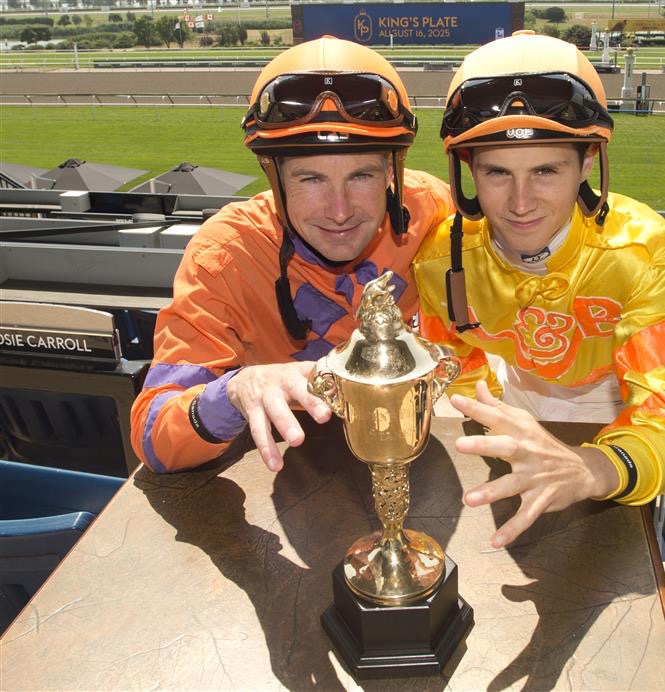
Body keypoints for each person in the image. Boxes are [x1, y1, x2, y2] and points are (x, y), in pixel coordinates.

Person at [412, 32, 665, 548]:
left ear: (587, 162)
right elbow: (458, 366)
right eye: (497, 172)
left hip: (616, 404)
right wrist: (498, 423)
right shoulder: (438, 262)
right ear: (468, 170)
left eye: (545, 170)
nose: (520, 202)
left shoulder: (645, 253)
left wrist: (596, 467)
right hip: (512, 399)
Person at [131, 36, 453, 473]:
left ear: (392, 172)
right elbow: (153, 435)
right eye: (310, 179)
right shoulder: (225, 256)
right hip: (295, 468)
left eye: (361, 176)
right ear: (274, 177)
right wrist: (234, 391)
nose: (339, 211)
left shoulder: (433, 209)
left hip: (410, 449)